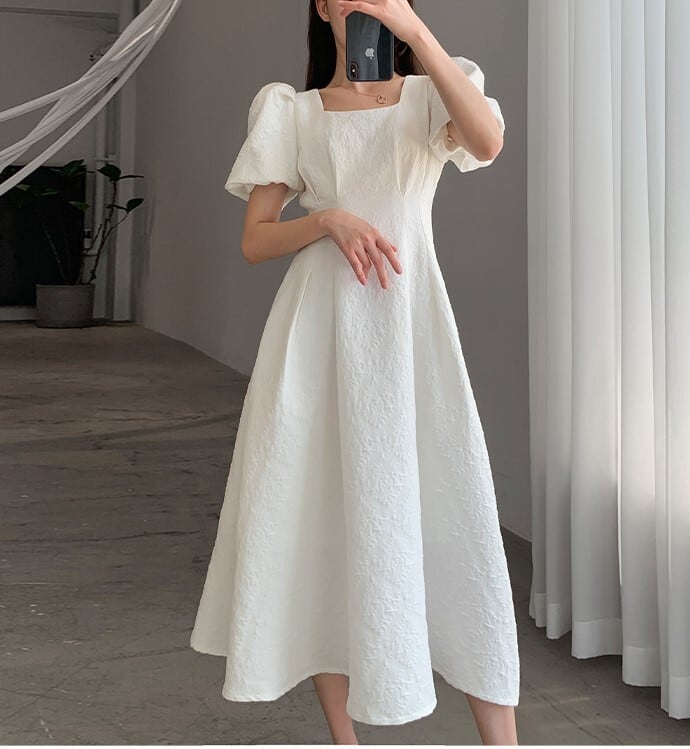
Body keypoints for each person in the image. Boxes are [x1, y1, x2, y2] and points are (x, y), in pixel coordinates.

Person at [189, 0, 519, 744]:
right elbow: (255, 241)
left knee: (453, 515)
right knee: (318, 519)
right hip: (317, 336)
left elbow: (487, 141)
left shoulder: (432, 93)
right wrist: (327, 219)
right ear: (322, 6)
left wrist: (415, 35)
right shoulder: (291, 111)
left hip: (409, 330)